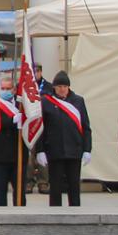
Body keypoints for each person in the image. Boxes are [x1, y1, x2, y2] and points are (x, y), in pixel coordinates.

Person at [37, 71, 91, 207]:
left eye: (65, 86)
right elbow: (40, 128)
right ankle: (55, 214)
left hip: (74, 149)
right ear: (54, 87)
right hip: (55, 150)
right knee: (55, 186)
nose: (62, 89)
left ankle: (75, 212)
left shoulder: (78, 101)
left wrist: (87, 149)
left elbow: (86, 127)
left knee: (74, 185)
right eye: (59, 86)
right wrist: (40, 150)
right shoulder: (46, 102)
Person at [0, 74, 23, 206]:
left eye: (8, 88)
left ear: (14, 89)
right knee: (0, 191)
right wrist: (12, 121)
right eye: (3, 88)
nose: (5, 91)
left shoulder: (20, 104)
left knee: (19, 191)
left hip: (18, 155)